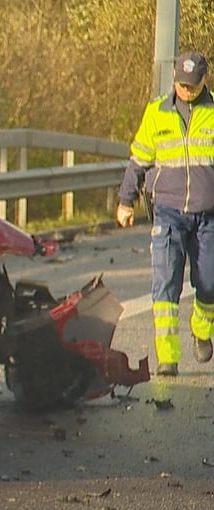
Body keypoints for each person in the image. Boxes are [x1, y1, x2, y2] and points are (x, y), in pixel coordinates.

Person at [116, 50, 214, 377]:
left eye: (192, 85)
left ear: (204, 81)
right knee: (165, 283)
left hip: (208, 214)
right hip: (168, 212)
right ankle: (168, 358)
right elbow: (139, 159)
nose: (186, 91)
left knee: (210, 283)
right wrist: (126, 200)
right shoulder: (157, 112)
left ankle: (201, 328)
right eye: (182, 85)